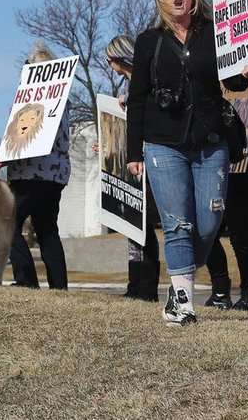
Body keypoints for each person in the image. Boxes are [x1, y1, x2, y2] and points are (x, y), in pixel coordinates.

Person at [126, 0, 248, 326]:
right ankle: (182, 301)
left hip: (210, 142)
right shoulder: (148, 41)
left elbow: (232, 81)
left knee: (210, 220)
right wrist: (134, 151)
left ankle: (179, 277)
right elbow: (137, 98)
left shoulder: (214, 35)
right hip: (162, 144)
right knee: (177, 224)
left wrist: (244, 74)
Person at [0, 42, 71, 290]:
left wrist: (4, 156)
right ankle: (59, 286)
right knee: (47, 229)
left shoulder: (34, 101)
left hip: (29, 173)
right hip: (55, 175)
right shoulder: (62, 101)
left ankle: (26, 280)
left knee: (8, 223)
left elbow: (25, 139)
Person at [204, 79, 248, 313]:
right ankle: (220, 290)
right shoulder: (213, 90)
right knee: (207, 230)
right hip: (217, 167)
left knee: (241, 236)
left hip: (246, 173)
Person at [104, 34, 160, 302]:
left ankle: (147, 288)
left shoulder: (146, 81)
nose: (107, 63)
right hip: (133, 166)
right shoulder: (127, 87)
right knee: (132, 228)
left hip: (151, 164)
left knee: (144, 228)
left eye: (109, 58)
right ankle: (134, 284)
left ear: (117, 59)